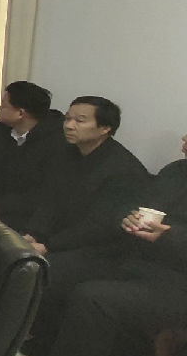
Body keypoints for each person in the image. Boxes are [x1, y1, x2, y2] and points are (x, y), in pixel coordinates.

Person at [10, 132, 187, 356]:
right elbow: (136, 205)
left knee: (95, 298)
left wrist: (168, 236)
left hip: (177, 286)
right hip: (140, 265)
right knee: (57, 270)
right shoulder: (176, 171)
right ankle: (43, 341)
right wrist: (129, 218)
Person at [20, 96, 147, 258]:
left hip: (98, 248)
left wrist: (48, 246)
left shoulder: (122, 169)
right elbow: (50, 199)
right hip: (59, 237)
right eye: (67, 119)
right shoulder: (66, 153)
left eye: (79, 121)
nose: (69, 126)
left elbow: (99, 225)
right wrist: (33, 234)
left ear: (105, 128)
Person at [0, 81, 64, 231]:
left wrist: (1, 206)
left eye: (4, 105)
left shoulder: (56, 142)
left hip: (29, 221)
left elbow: (45, 193)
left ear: (21, 113)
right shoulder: (0, 132)